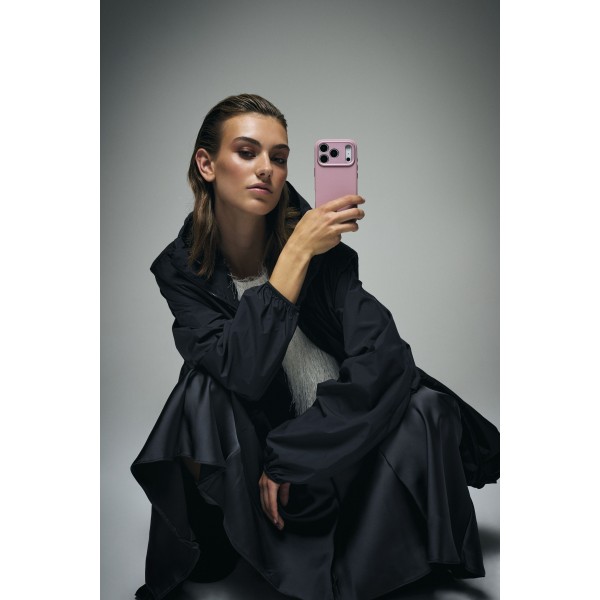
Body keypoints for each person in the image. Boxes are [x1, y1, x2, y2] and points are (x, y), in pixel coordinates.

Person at [131, 93, 500, 600]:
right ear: (206, 164)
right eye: (247, 152)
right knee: (198, 391)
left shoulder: (322, 248)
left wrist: (294, 453)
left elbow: (386, 360)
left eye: (279, 157)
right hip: (265, 464)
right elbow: (243, 372)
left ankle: (382, 549)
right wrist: (294, 257)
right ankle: (234, 541)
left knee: (426, 405)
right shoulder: (181, 272)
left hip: (339, 443)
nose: (267, 169)